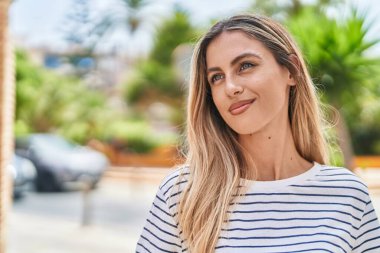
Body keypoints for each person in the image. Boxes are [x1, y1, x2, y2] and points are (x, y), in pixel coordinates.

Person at [136, 14, 380, 253]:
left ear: (291, 71)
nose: (231, 87)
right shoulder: (183, 193)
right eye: (217, 77)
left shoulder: (347, 194)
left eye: (245, 66)